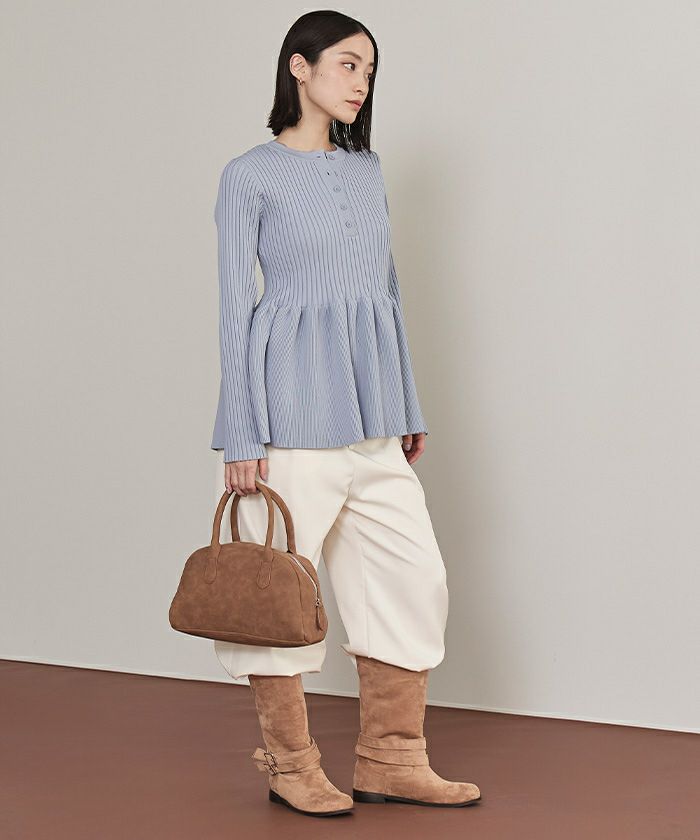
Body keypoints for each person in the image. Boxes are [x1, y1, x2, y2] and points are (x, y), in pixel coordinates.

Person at [209, 9, 481, 817]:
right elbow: (233, 309)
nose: (361, 81)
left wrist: (405, 400)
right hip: (287, 418)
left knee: (410, 578)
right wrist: (241, 431)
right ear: (300, 67)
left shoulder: (367, 170)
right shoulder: (248, 175)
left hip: (373, 418)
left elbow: (385, 293)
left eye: (369, 69)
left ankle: (392, 759)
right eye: (347, 64)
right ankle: (290, 763)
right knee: (276, 592)